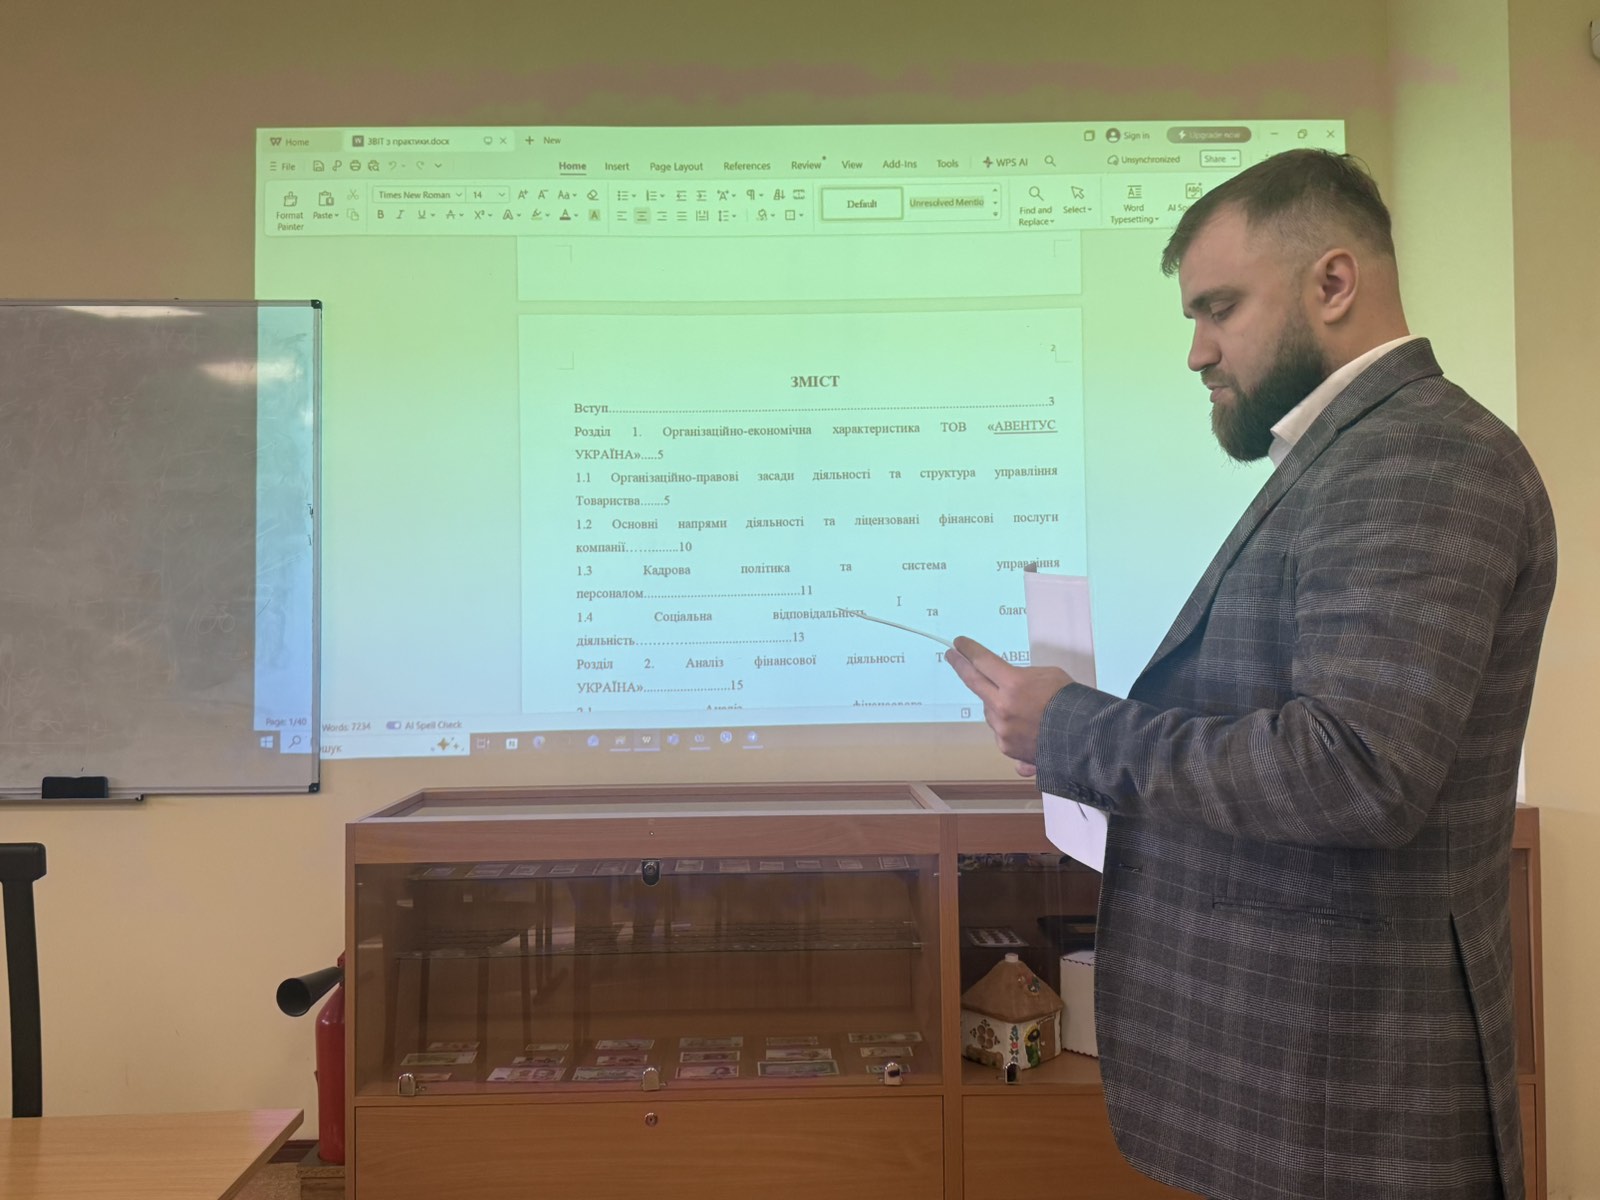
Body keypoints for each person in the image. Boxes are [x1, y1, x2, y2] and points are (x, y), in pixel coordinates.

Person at [946, 149, 1556, 1200]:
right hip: (1310, 1088)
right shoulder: (1358, 453)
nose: (1196, 351)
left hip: (1347, 1101)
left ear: (1333, 282)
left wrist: (1075, 733)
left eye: (1219, 308)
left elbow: (1356, 770)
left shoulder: (1419, 457)